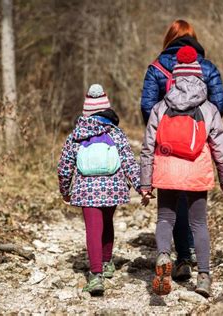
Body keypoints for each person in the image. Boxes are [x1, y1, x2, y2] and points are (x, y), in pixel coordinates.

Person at [140, 46, 223, 297]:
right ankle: (203, 276)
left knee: (165, 219)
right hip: (197, 172)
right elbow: (221, 148)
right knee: (199, 224)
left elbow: (148, 147)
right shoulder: (209, 109)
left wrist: (146, 184)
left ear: (175, 78)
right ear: (199, 76)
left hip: (167, 172)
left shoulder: (161, 107)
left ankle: (162, 256)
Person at [58, 84, 141, 296]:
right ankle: (106, 263)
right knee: (106, 223)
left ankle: (95, 277)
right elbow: (129, 162)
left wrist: (65, 189)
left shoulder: (76, 134)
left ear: (86, 111)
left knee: (93, 229)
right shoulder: (116, 133)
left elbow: (65, 166)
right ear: (106, 109)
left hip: (86, 189)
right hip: (113, 188)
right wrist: (142, 186)